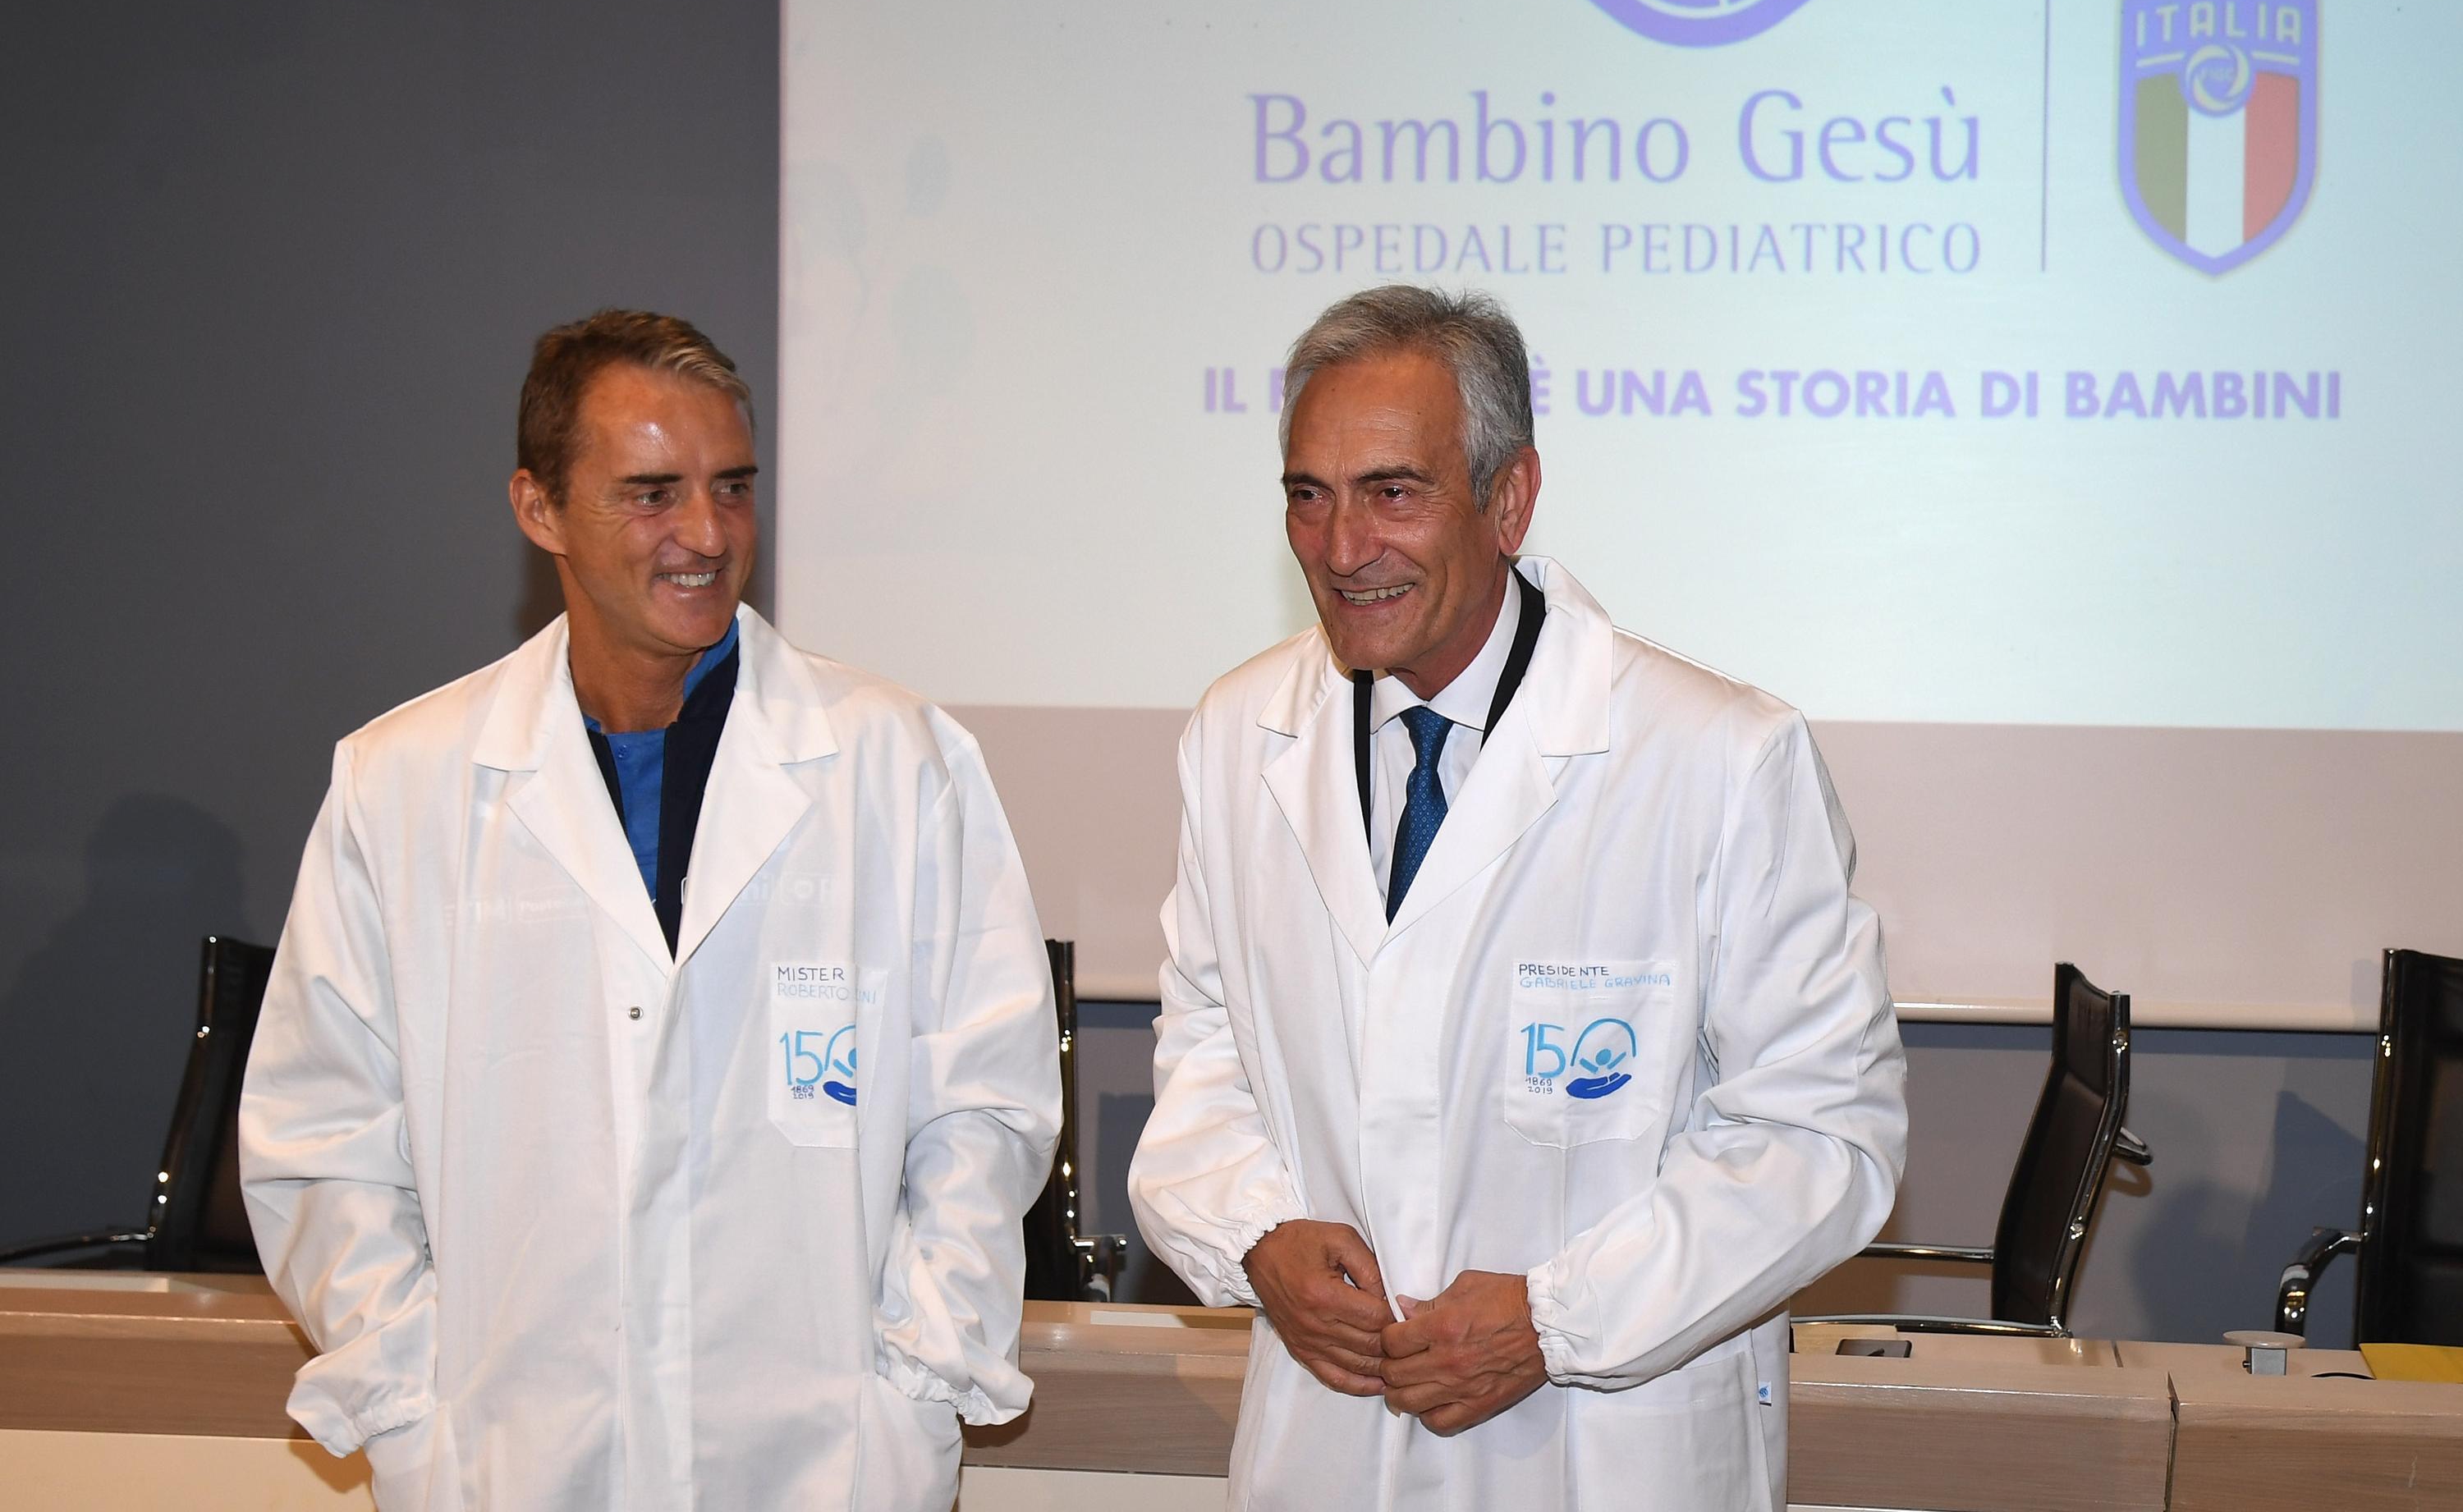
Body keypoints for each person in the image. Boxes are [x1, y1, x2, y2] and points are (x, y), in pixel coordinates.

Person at [241, 309, 1060, 1511]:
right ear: (539, 509)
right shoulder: (403, 782)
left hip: (822, 1462)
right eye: (651, 493)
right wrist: (417, 1407)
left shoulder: (897, 761)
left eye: (733, 486)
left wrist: (911, 1386)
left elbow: (985, 1109)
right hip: (513, 1459)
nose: (708, 534)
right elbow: (323, 1142)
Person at [1127, 286, 1908, 1509]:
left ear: (1508, 497)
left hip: (1605, 1446)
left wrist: (1559, 1318)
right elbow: (1207, 1048)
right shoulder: (1239, 735)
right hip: (1334, 1440)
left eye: (1393, 492)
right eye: (1307, 495)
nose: (1341, 550)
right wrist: (1250, 1233)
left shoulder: (1718, 758)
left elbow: (1823, 1136)